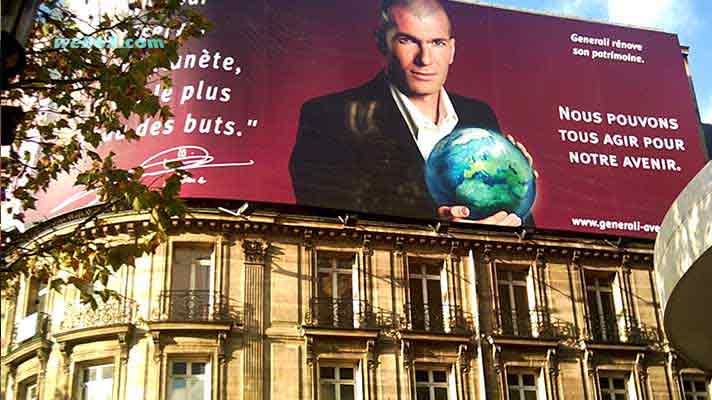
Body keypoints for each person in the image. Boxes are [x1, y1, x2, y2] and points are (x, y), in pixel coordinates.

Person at [289, 0, 531, 226]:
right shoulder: (327, 117)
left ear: (452, 50)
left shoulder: (479, 115)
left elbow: (520, 221)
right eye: (407, 40)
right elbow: (327, 225)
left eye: (437, 43)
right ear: (382, 43)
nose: (425, 59)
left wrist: (521, 187)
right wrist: (435, 225)